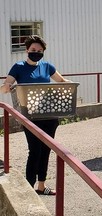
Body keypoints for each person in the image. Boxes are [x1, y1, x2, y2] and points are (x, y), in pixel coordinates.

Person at [0, 35, 71, 195]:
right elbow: (6, 86)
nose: (36, 52)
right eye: (33, 50)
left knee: (46, 149)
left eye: (39, 51)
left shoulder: (47, 66)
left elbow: (60, 81)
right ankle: (28, 188)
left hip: (49, 115)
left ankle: (41, 185)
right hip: (30, 117)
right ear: (27, 50)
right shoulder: (18, 67)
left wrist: (72, 84)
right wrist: (7, 87)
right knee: (34, 151)